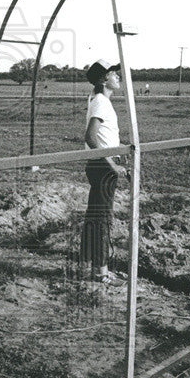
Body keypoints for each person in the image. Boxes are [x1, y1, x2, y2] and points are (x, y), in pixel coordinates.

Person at [81, 58, 127, 284]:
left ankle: (85, 265)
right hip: (102, 167)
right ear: (102, 79)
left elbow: (102, 137)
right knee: (102, 220)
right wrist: (113, 164)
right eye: (113, 73)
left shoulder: (100, 100)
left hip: (100, 164)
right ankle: (101, 271)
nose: (117, 76)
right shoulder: (100, 101)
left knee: (94, 217)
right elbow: (90, 137)